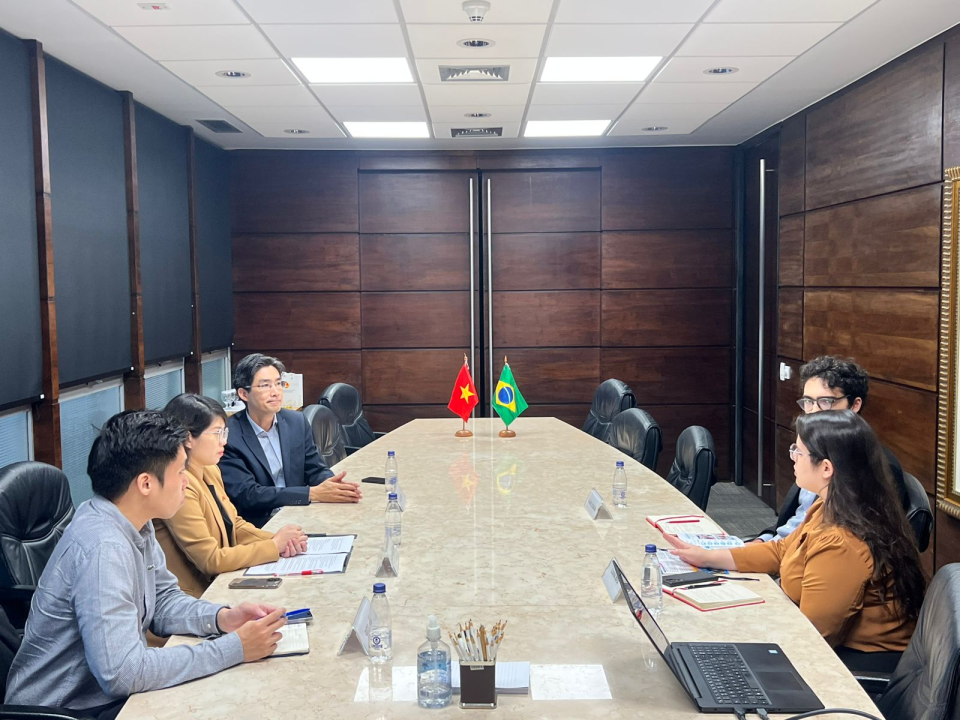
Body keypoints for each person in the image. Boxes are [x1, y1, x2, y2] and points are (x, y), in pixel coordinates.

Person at [4, 411, 288, 720]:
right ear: (146, 483)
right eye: (181, 471)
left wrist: (222, 618)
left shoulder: (134, 520)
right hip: (66, 709)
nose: (186, 482)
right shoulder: (104, 548)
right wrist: (234, 648)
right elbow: (122, 674)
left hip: (102, 698)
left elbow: (162, 600)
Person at [665, 410, 925, 669]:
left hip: (854, 662)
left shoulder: (842, 542)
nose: (793, 458)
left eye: (798, 452)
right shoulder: (831, 505)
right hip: (820, 637)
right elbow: (781, 551)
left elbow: (811, 636)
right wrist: (708, 557)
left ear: (826, 468)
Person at [155, 394, 310, 599]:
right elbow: (211, 559)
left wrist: (280, 540)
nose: (224, 442)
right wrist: (273, 546)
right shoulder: (179, 485)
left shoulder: (209, 469)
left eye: (225, 432)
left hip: (221, 581)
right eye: (217, 433)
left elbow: (234, 524)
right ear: (188, 438)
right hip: (194, 596)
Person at [753, 355, 908, 543]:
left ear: (855, 405)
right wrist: (763, 540)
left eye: (825, 401)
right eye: (808, 401)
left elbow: (858, 540)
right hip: (780, 545)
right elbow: (795, 517)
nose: (813, 411)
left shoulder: (872, 465)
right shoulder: (810, 448)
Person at [220, 353, 362, 527]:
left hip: (301, 512)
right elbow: (248, 494)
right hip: (261, 524)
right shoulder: (229, 436)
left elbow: (314, 468)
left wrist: (333, 486)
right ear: (243, 394)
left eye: (278, 383)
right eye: (265, 385)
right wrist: (311, 493)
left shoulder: (296, 421)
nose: (275, 392)